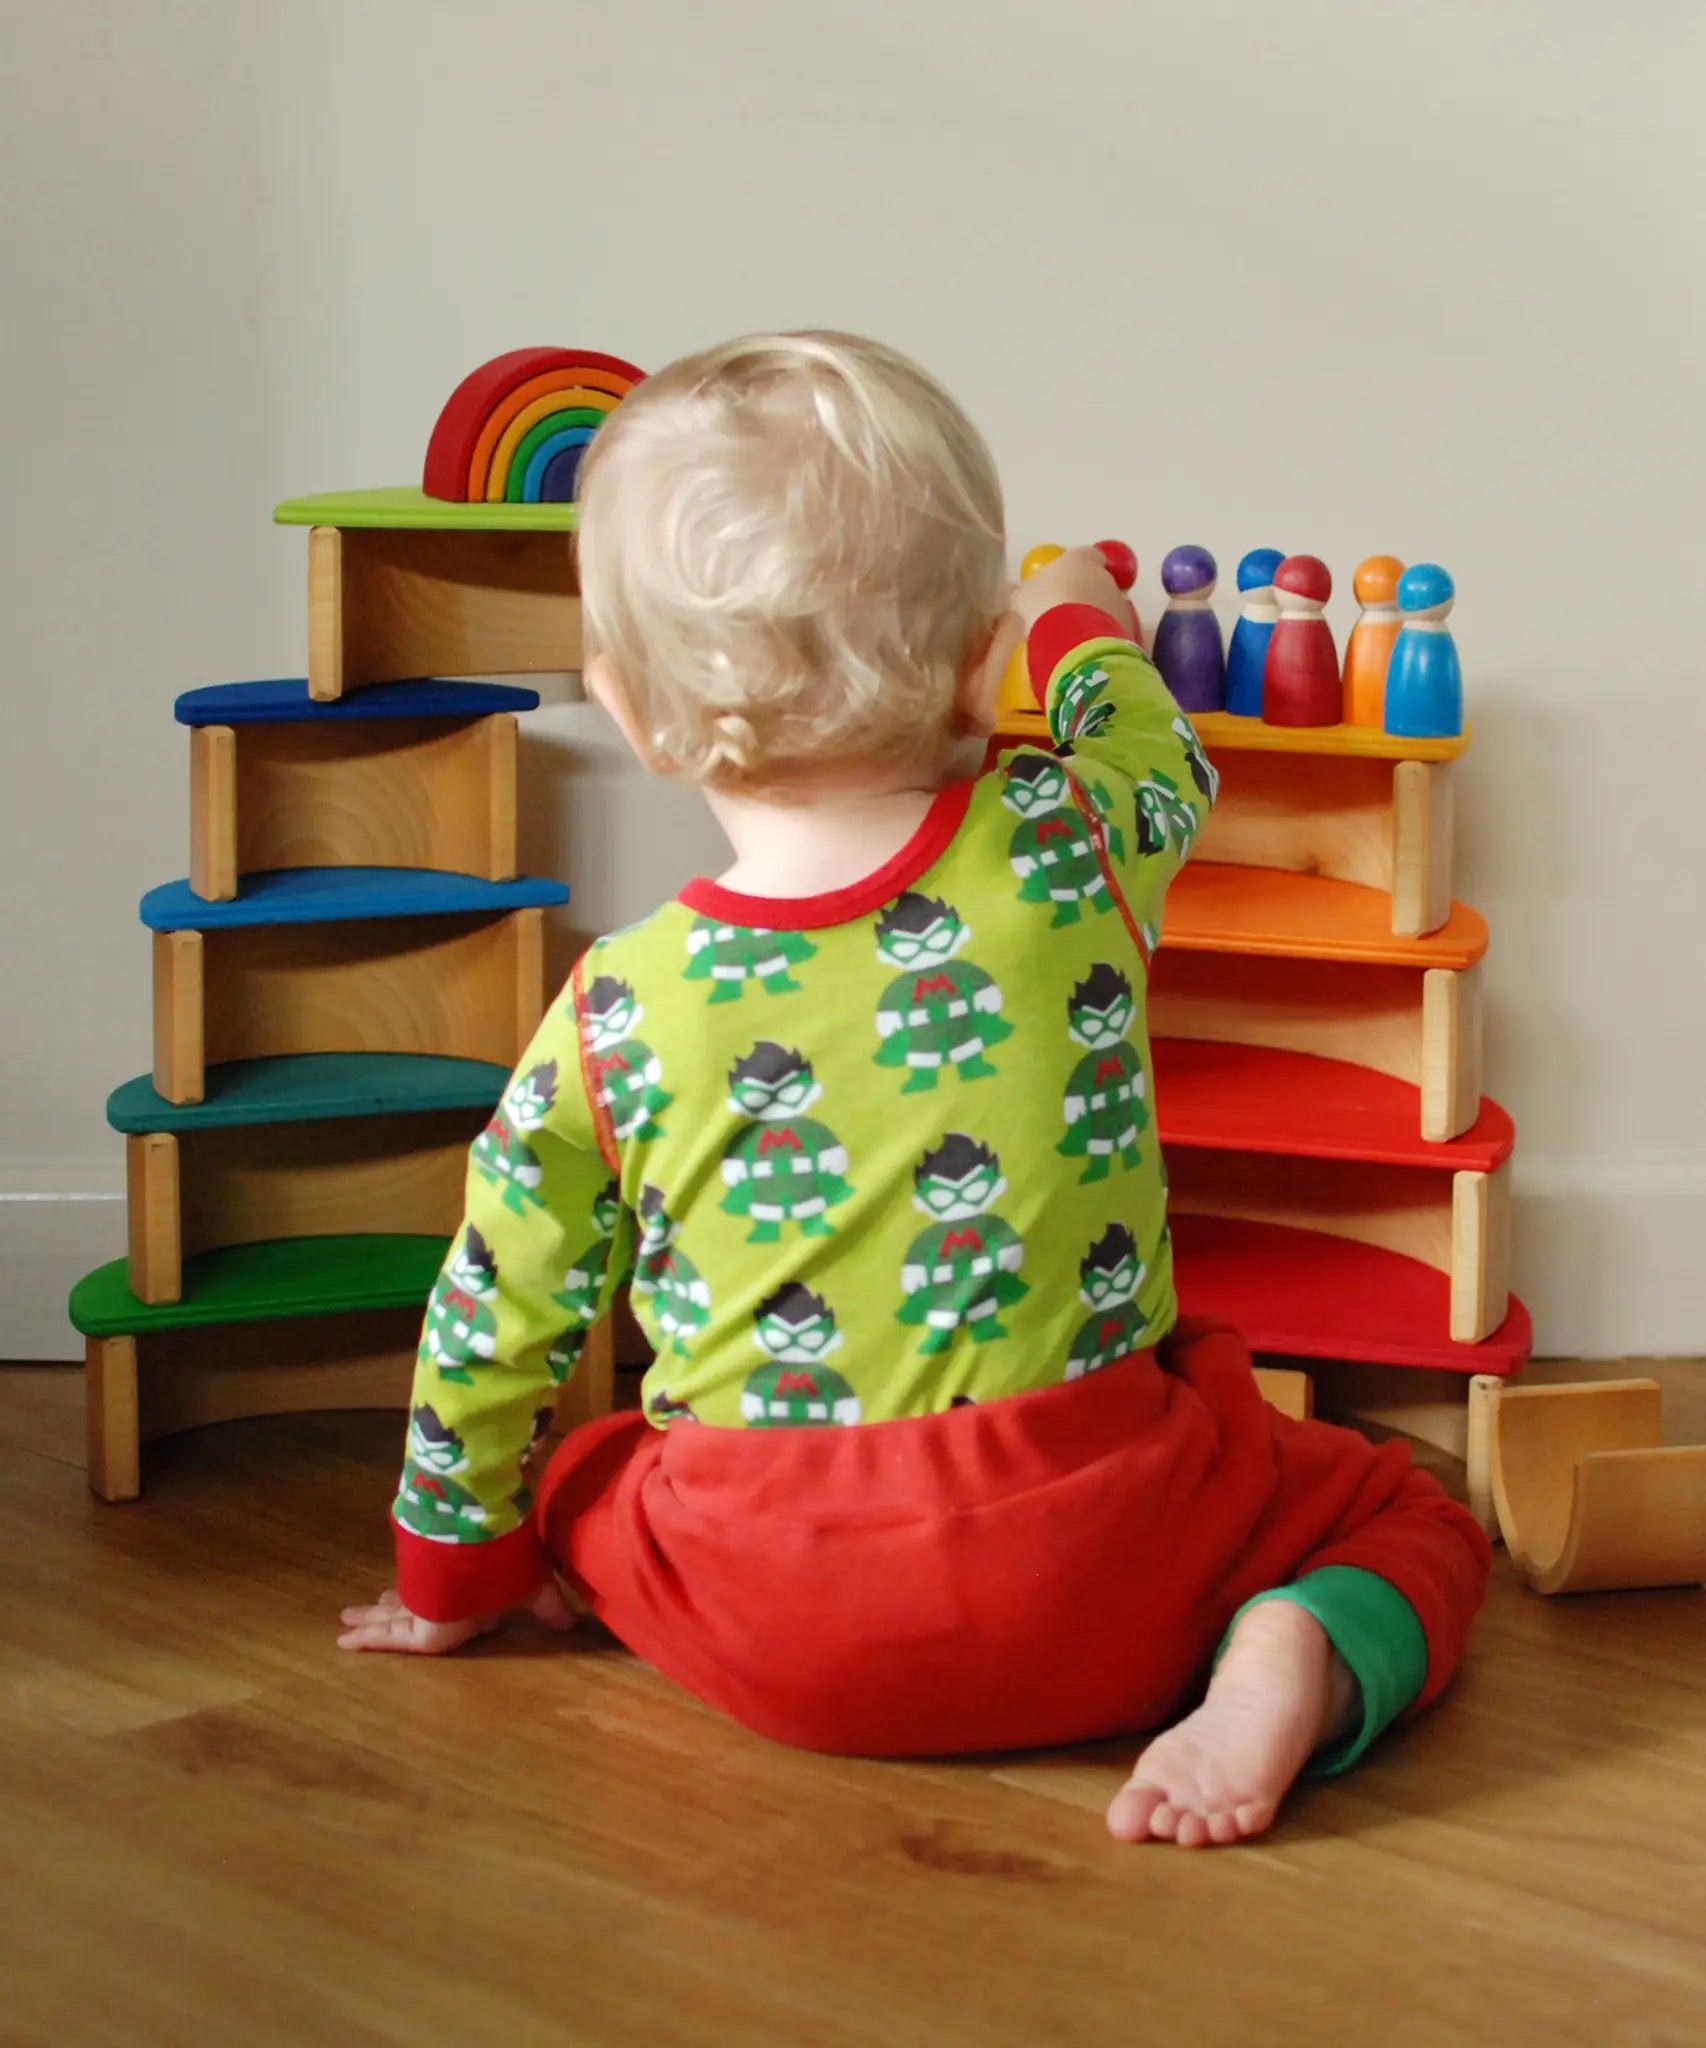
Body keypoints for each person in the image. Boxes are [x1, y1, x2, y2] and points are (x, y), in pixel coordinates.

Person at [339, 332, 1490, 1849]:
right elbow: (1160, 751)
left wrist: (453, 1574)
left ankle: (552, 1578)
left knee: (586, 1474)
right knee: (1409, 1509)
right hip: (1106, 1572)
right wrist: (1073, 622)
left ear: (621, 705)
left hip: (774, 1624)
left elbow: (499, 1304)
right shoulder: (1066, 847)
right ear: (975, 665)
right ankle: (1294, 1660)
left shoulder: (616, 1006)